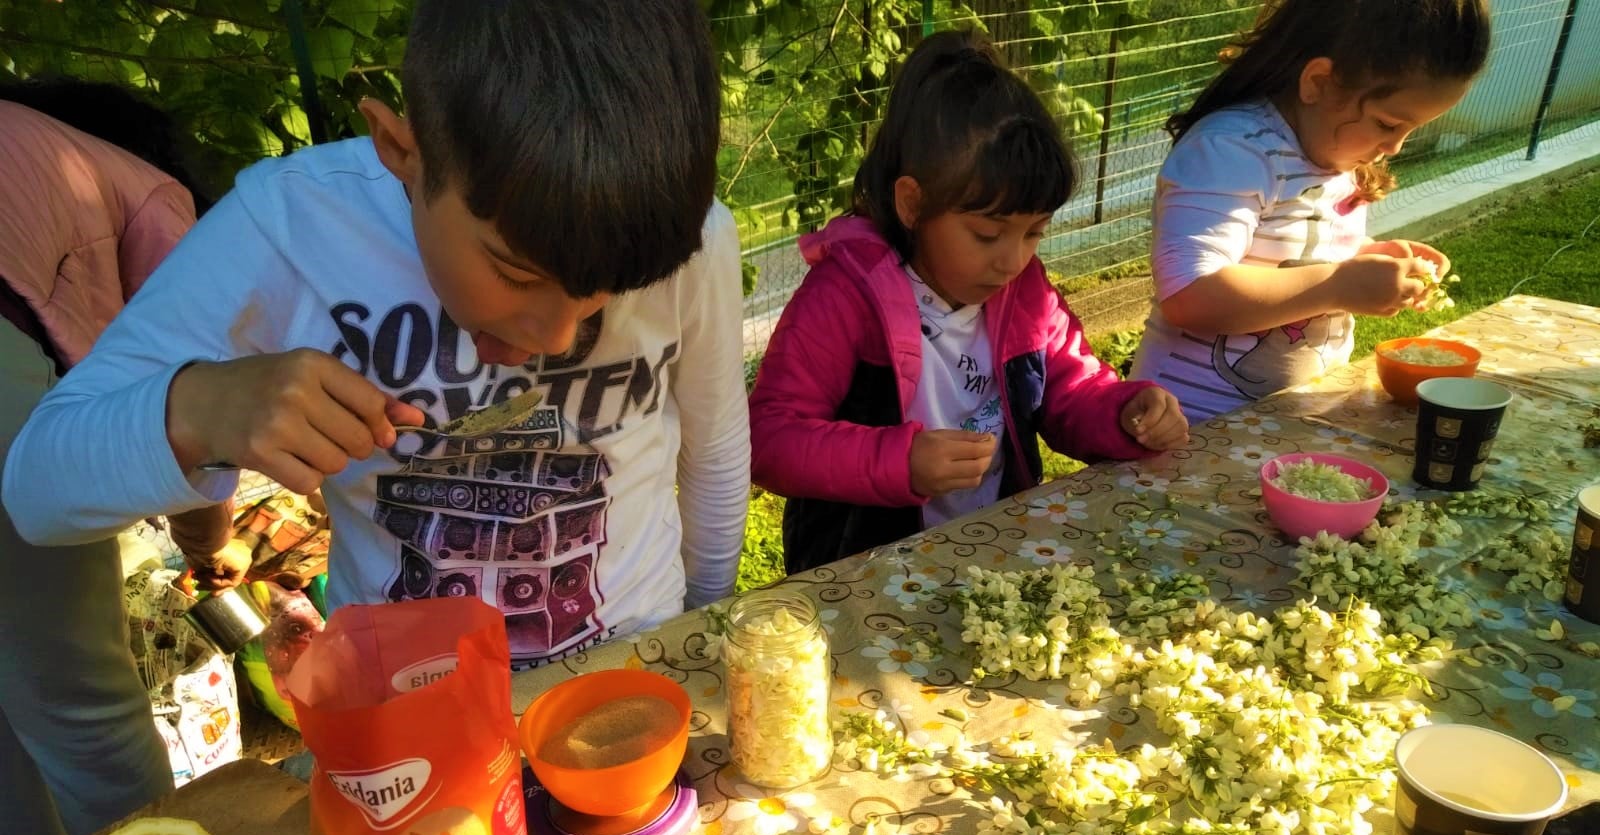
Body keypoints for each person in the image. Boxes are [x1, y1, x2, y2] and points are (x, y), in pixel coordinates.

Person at [4, 0, 749, 673]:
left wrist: (706, 632)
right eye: (515, 273)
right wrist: (197, 410)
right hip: (406, 708)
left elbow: (713, 452)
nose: (555, 337)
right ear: (400, 148)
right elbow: (37, 492)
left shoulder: (691, 237)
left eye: (599, 298)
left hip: (640, 664)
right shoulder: (290, 226)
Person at [747, 30, 1188, 575]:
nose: (1013, 260)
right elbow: (770, 438)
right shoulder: (845, 296)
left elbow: (1071, 389)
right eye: (987, 234)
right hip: (863, 574)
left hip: (992, 557)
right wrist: (898, 462)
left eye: (1035, 233)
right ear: (913, 204)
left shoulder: (1025, 292)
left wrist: (1125, 412)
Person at [0, 80, 225, 835]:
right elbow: (205, 387)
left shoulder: (34, 151)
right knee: (82, 703)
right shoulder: (152, 194)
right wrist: (207, 526)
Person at [1128, 0, 1491, 422]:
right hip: (1187, 430)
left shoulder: (1335, 151)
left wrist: (1366, 260)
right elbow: (1190, 295)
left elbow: (1288, 255)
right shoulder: (1231, 149)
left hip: (1286, 420)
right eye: (1389, 124)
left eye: (1413, 129)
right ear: (1318, 82)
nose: (1394, 148)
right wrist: (1339, 283)